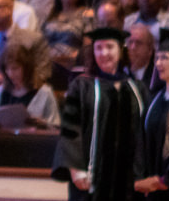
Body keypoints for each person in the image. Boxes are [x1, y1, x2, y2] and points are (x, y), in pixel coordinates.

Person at [54, 27, 147, 201]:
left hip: (129, 180)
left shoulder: (136, 88)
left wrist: (146, 172)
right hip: (91, 179)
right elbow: (70, 129)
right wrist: (76, 168)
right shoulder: (82, 87)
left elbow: (146, 133)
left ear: (121, 50)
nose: (104, 53)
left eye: (110, 47)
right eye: (98, 48)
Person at [0, 41, 62, 129]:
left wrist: (43, 124)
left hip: (34, 140)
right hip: (4, 140)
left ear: (27, 68)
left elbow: (56, 127)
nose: (10, 74)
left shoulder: (44, 92)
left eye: (15, 68)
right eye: (7, 69)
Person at [137, 35, 169, 199]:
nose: (158, 64)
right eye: (157, 58)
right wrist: (142, 178)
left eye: (165, 58)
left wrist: (163, 180)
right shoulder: (155, 99)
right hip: (153, 189)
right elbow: (142, 140)